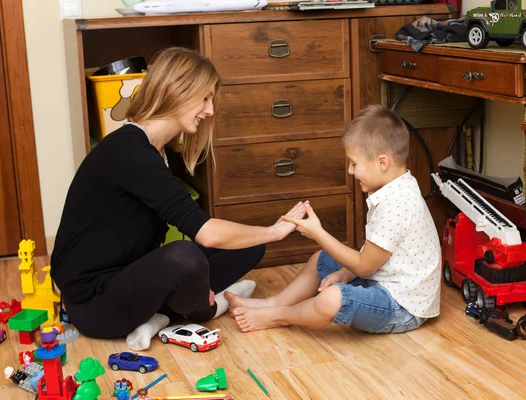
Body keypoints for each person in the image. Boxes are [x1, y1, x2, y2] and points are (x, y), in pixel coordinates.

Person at [51, 47, 306, 351]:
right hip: (94, 305)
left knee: (249, 244)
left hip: (128, 276)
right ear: (175, 91)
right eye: (205, 98)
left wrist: (261, 236)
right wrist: (276, 231)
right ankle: (203, 308)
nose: (210, 110)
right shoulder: (129, 152)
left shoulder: (156, 152)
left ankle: (165, 314)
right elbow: (206, 233)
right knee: (185, 255)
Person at [226, 105, 441, 333]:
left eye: (354, 164)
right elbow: (376, 256)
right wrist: (346, 272)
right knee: (322, 260)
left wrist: (319, 233)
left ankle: (278, 316)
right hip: (384, 282)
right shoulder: (398, 187)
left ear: (382, 162)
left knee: (331, 299)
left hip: (401, 307)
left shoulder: (396, 204)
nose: (350, 171)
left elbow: (366, 266)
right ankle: (272, 303)